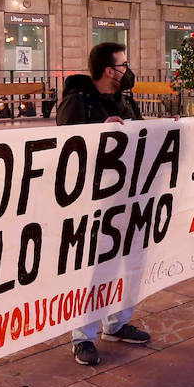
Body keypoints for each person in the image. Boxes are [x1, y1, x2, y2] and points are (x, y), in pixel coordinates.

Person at [55, 42, 152, 363]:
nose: (128, 70)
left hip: (128, 196)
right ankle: (82, 334)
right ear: (110, 70)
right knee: (94, 269)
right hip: (92, 203)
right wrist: (99, 133)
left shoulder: (125, 101)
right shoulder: (76, 103)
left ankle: (118, 323)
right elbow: (65, 150)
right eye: (124, 64)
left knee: (130, 262)